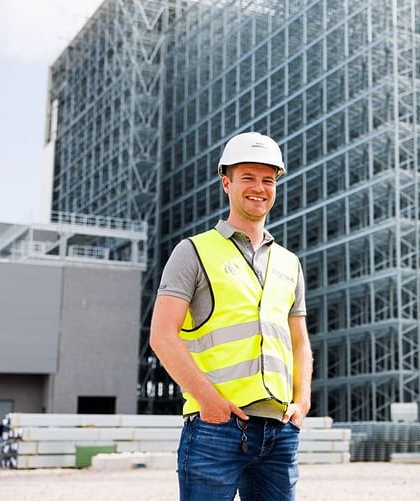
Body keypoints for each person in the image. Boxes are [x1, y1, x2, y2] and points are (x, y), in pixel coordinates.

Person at [150, 132, 312, 501]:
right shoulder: (192, 251)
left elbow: (300, 341)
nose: (259, 188)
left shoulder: (289, 263)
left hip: (279, 429)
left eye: (268, 180)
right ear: (227, 183)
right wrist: (209, 401)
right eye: (248, 178)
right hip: (214, 428)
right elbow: (162, 335)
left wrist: (301, 402)